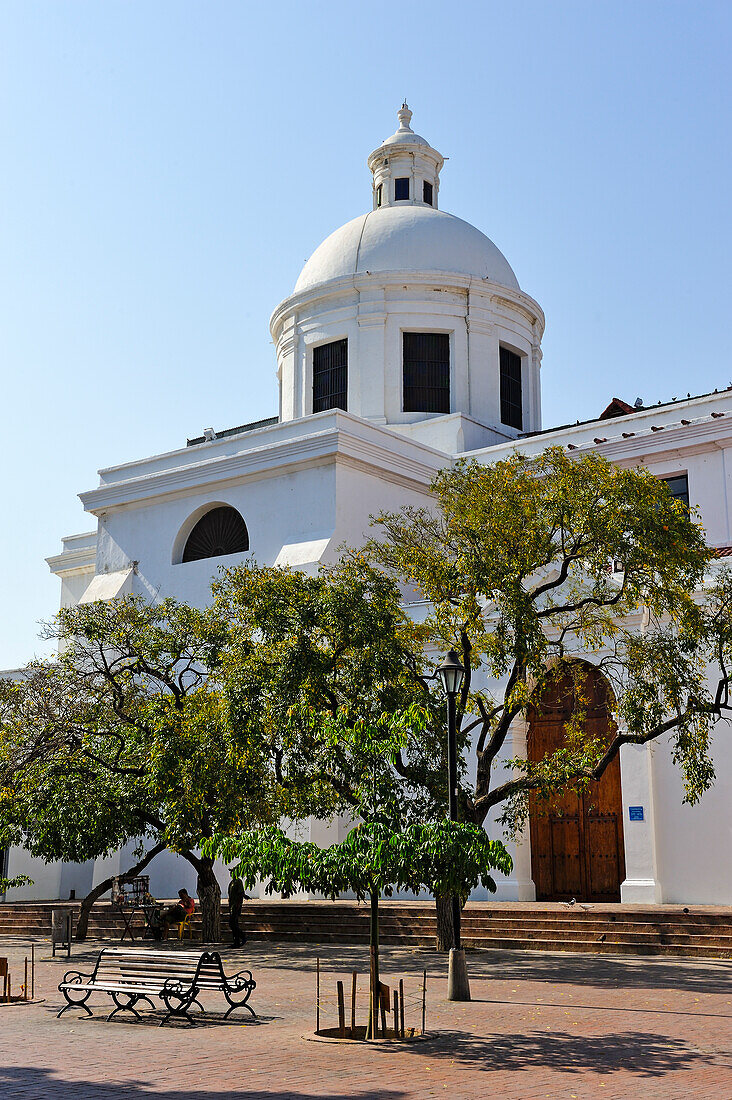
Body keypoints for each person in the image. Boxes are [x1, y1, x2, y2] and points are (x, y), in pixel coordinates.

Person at [228, 876, 249, 947]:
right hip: (232, 905)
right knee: (234, 924)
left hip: (236, 906)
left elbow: (241, 893)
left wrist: (238, 905)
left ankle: (243, 936)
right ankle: (236, 942)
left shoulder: (238, 881)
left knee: (232, 923)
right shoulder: (232, 882)